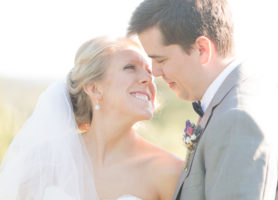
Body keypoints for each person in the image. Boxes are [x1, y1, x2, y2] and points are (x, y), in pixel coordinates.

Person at [128, 0, 278, 199]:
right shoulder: (247, 97)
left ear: (202, 49)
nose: (155, 72)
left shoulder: (238, 121)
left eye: (161, 60)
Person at [0, 36, 183, 200]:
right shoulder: (41, 162)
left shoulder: (168, 171)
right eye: (130, 67)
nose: (147, 79)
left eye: (149, 72)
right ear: (94, 89)